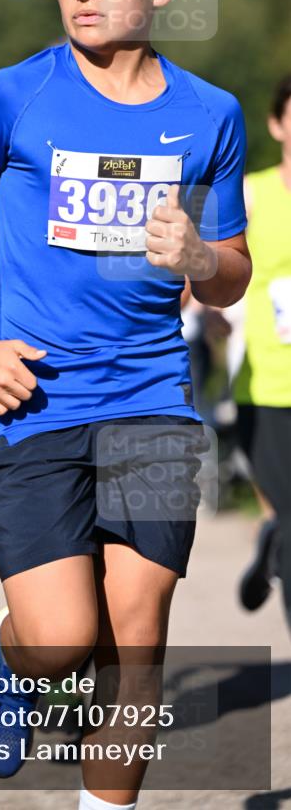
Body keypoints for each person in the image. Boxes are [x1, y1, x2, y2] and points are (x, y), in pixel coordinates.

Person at [0, 0, 251, 809]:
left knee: (134, 647)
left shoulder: (210, 114)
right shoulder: (13, 95)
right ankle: (11, 657)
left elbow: (232, 273)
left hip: (152, 403)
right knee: (60, 642)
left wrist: (199, 256)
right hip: (35, 397)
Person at [231, 75, 291, 629]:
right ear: (277, 125)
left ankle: (273, 539)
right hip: (269, 388)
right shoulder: (249, 193)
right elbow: (209, 268)